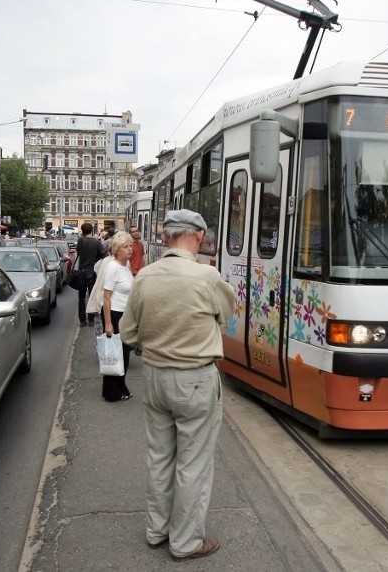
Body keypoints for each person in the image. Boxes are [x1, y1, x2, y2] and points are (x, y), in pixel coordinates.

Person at [120, 209, 236, 561]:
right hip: (195, 380)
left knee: (159, 457)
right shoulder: (206, 276)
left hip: (155, 377)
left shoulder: (145, 277)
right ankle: (185, 542)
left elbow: (128, 332)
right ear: (198, 236)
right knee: (193, 463)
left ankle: (156, 531)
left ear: (167, 236)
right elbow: (227, 314)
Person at [99, 231, 133, 402]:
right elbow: (106, 296)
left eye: (131, 246)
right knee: (116, 356)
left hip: (124, 315)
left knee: (123, 356)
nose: (130, 249)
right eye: (126, 246)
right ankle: (113, 392)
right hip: (114, 314)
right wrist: (108, 323)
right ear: (117, 249)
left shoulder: (125, 265)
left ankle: (120, 387)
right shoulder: (113, 267)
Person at [75, 222, 105, 326]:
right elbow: (103, 255)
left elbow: (78, 253)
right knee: (93, 296)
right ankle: (91, 319)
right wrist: (94, 260)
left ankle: (82, 320)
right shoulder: (97, 242)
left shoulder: (81, 241)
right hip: (92, 272)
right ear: (91, 231)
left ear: (82, 231)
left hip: (82, 272)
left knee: (81, 297)